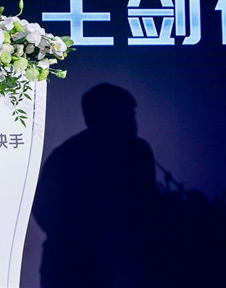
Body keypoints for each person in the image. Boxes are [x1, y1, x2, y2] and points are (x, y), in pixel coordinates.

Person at [33, 83, 159, 288]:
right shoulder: (136, 151)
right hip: (101, 267)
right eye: (127, 114)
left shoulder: (65, 154)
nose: (132, 122)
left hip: (67, 266)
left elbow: (42, 209)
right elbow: (147, 207)